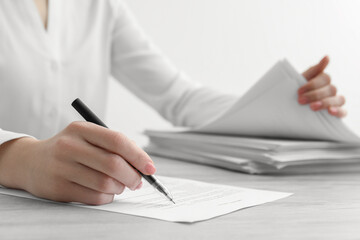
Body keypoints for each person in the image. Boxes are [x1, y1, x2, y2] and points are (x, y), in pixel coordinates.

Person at [0, 0, 346, 205]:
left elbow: (178, 97)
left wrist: (280, 107)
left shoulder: (97, 5)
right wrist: (18, 158)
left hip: (85, 213)